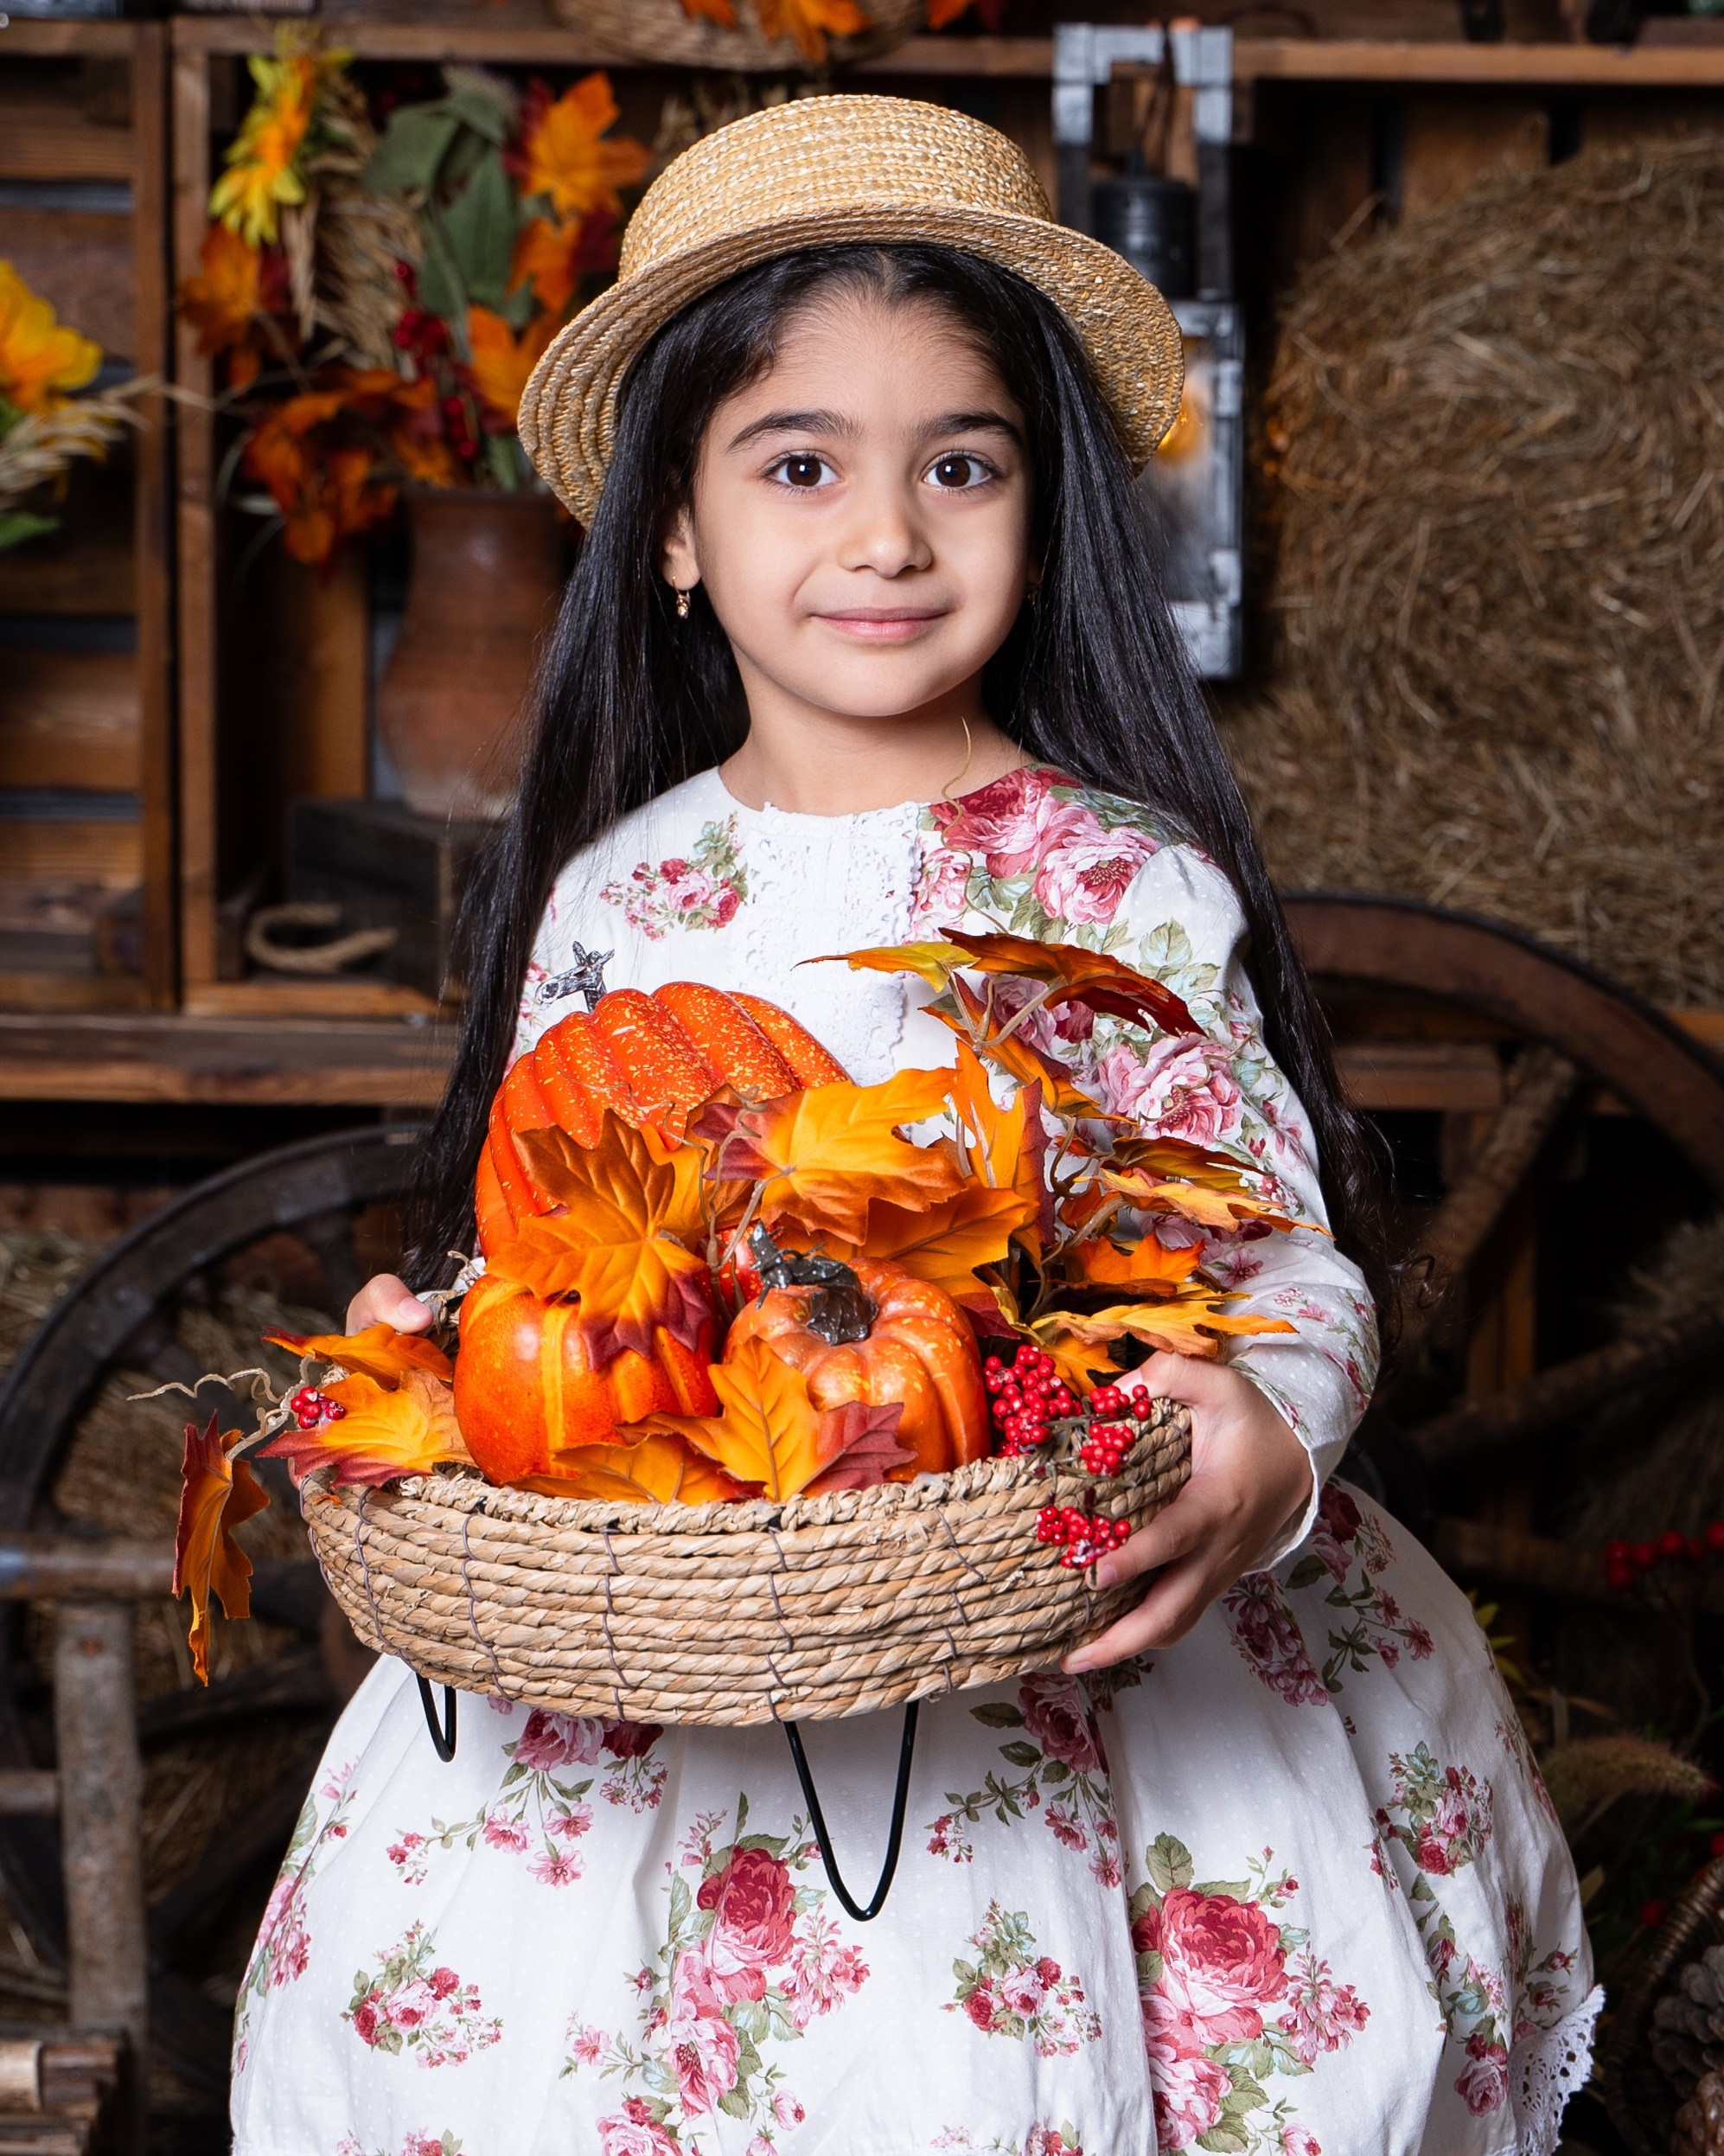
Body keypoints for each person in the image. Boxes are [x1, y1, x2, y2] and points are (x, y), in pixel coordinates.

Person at [232, 96, 1595, 2156]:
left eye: (959, 465)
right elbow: (562, 1261)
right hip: (681, 1665)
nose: (885, 534)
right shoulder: (625, 896)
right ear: (674, 532)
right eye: (800, 466)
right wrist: (435, 1351)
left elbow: (1273, 1251)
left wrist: (1270, 1425)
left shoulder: (1116, 889)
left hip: (1062, 1641)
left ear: (1040, 517)